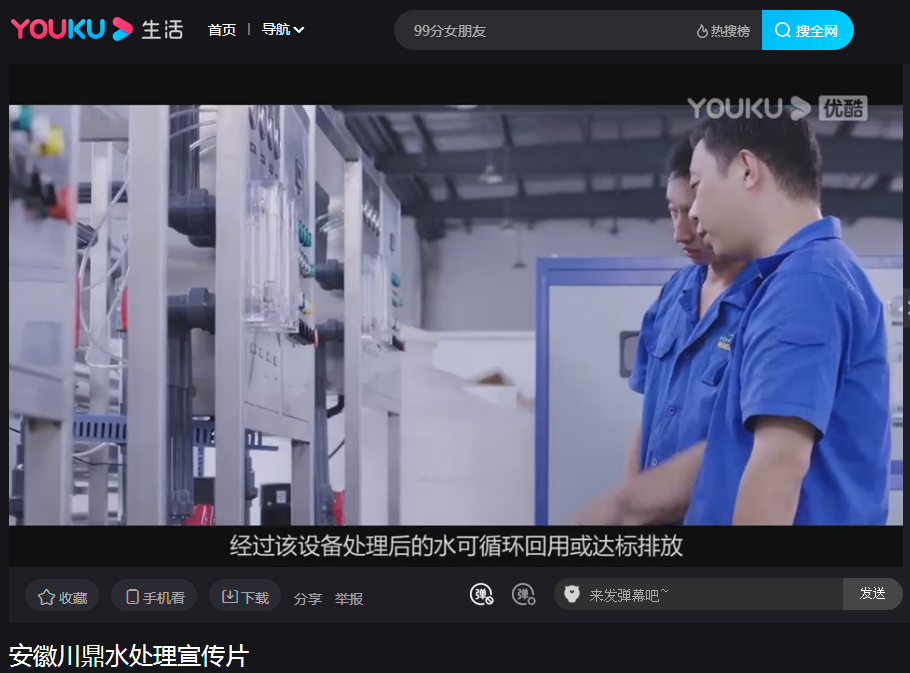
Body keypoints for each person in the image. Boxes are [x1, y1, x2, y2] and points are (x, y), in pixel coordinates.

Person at [591, 114, 891, 525]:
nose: (694, 215)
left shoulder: (805, 285)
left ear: (748, 171)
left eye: (698, 187)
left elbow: (777, 469)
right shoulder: (794, 279)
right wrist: (626, 509)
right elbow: (726, 450)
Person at [573, 137, 758, 525]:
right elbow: (649, 418)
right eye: (673, 212)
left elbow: (754, 447)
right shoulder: (674, 296)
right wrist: (632, 508)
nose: (680, 232)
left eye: (692, 214)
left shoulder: (767, 301)